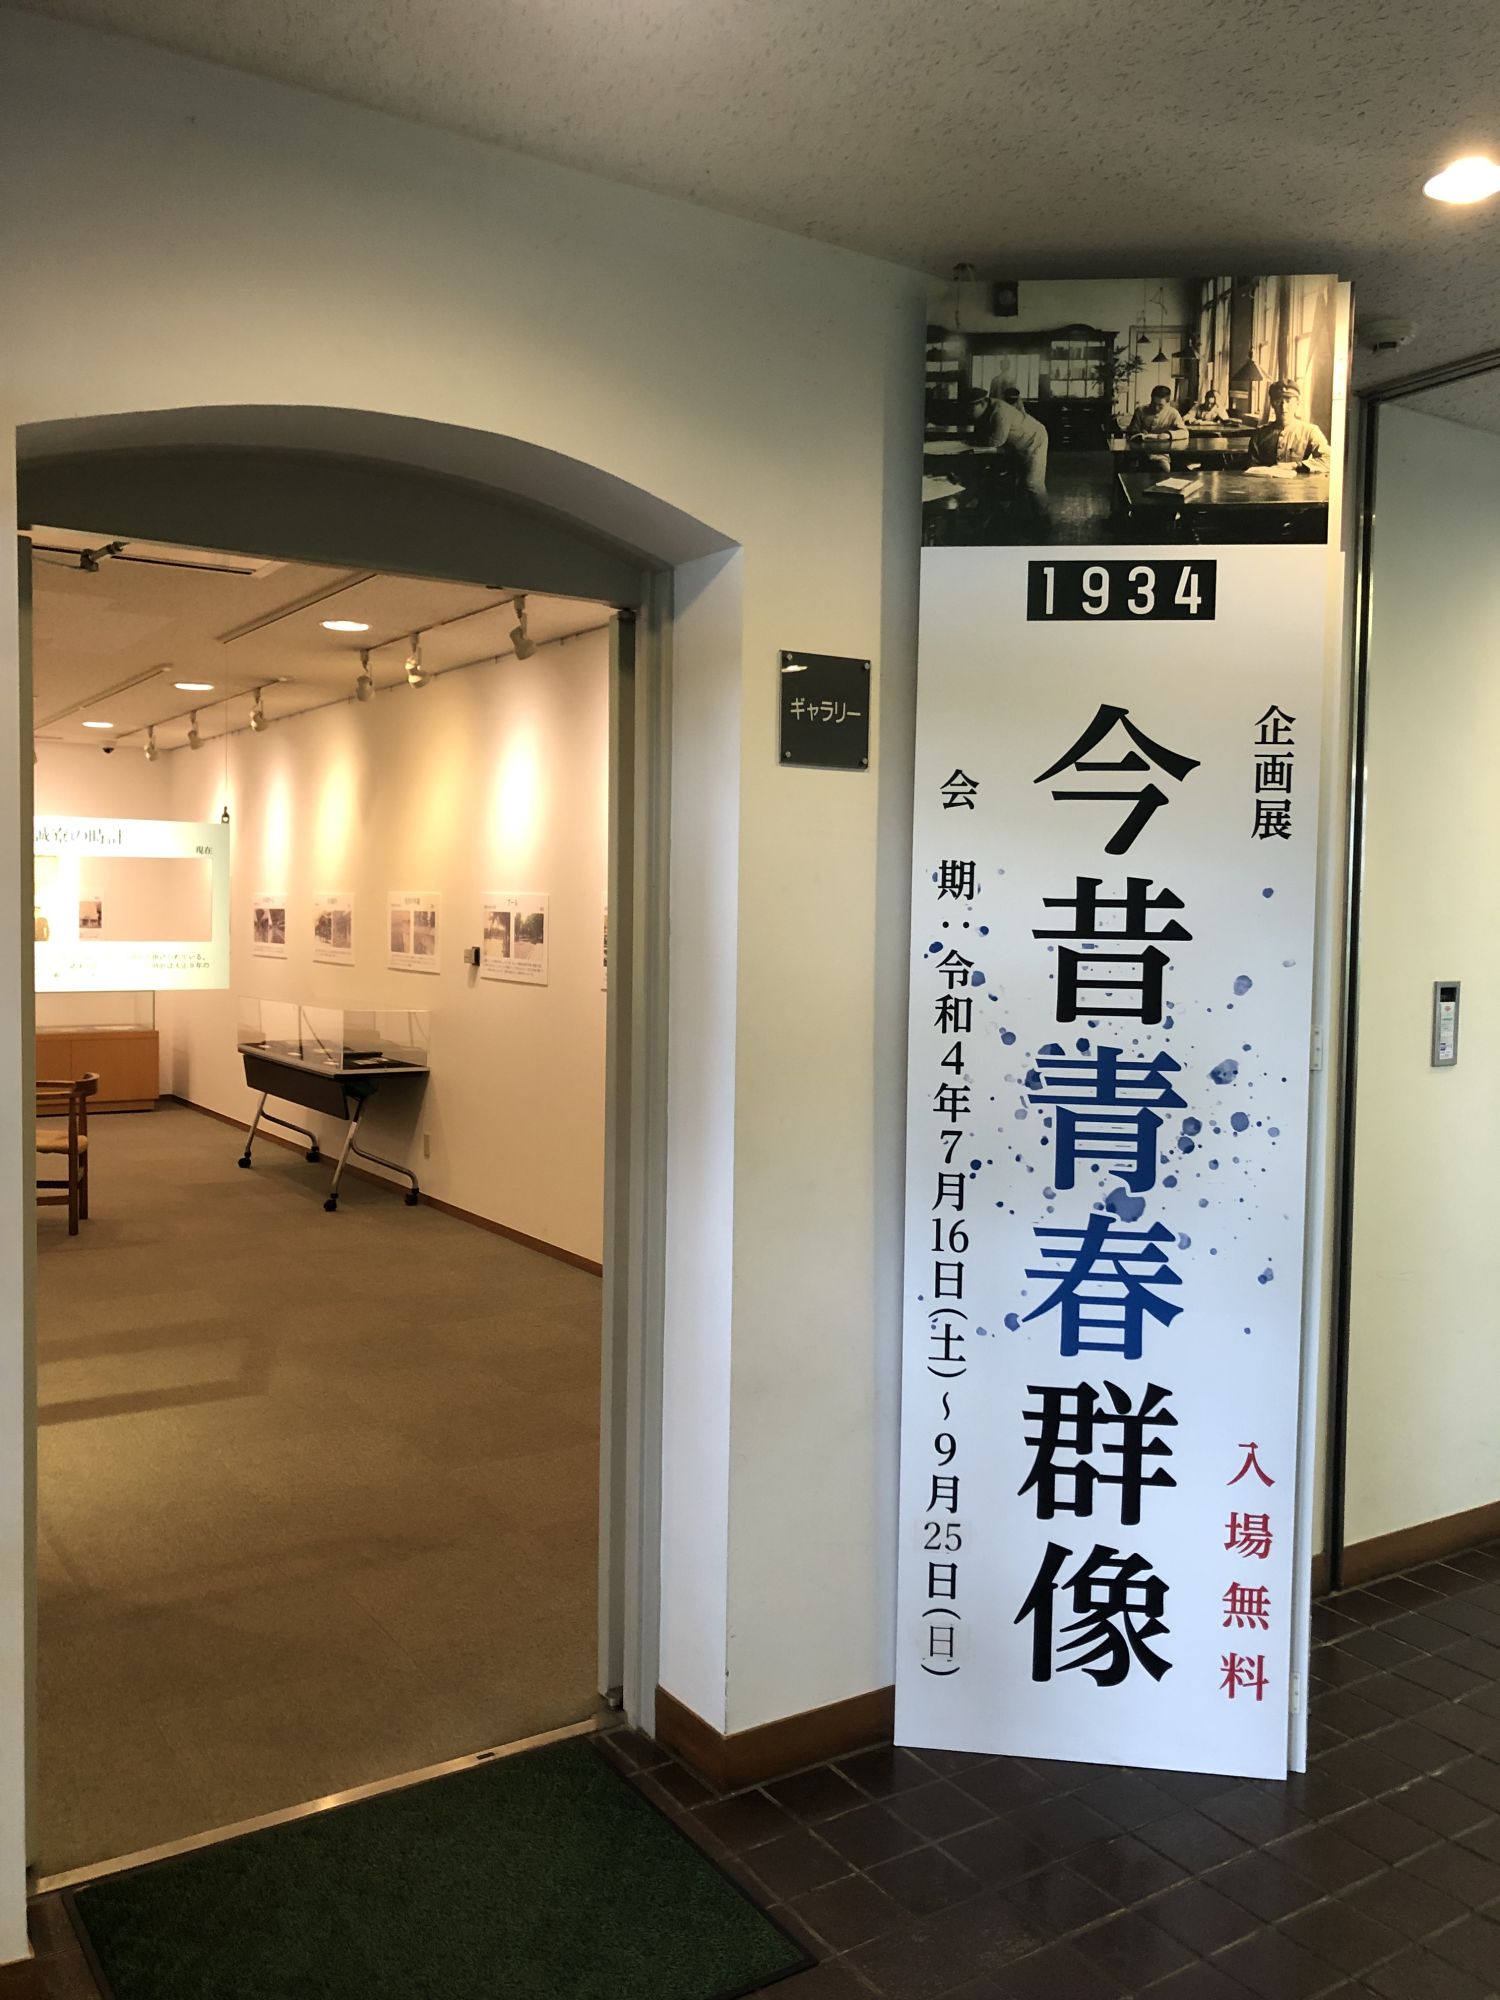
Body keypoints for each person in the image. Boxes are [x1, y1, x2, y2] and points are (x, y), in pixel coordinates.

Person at [1246, 379, 1331, 471]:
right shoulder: (1260, 433)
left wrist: (1295, 465)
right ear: (1272, 404)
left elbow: (1329, 460)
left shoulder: (1310, 431)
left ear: (1297, 404)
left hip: (1297, 480)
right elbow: (1252, 468)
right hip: (1265, 479)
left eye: (1289, 401)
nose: (1283, 407)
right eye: (1278, 401)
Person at [1125, 384, 1188, 472]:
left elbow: (1184, 432)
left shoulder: (1173, 413)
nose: (1156, 408)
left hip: (1161, 453)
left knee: (1164, 469)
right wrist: (1139, 433)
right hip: (1140, 452)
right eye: (1153, 403)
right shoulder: (1141, 410)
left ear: (1168, 402)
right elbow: (1131, 431)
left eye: (1160, 405)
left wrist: (1169, 435)